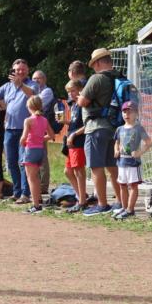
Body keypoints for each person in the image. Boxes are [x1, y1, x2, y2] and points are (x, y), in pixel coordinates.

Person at [0, 59, 39, 203]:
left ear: (27, 70)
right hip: (9, 130)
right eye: (17, 70)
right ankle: (16, 192)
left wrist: (20, 84)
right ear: (13, 71)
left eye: (23, 69)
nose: (20, 72)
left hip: (25, 130)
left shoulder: (32, 84)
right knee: (11, 162)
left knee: (24, 162)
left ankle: (25, 194)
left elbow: (33, 96)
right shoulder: (7, 87)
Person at [77, 48, 120, 216]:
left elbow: (82, 101)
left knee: (96, 166)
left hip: (96, 127)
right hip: (114, 127)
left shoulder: (97, 79)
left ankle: (102, 204)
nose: (93, 67)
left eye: (94, 64)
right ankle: (120, 201)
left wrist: (81, 95)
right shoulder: (119, 77)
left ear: (99, 62)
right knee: (112, 166)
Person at [112, 101, 152, 220]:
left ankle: (130, 209)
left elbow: (148, 143)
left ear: (136, 114)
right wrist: (116, 150)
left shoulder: (138, 128)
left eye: (130, 111)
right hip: (121, 162)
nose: (127, 114)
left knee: (133, 186)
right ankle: (124, 208)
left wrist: (139, 153)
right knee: (122, 185)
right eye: (124, 111)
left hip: (133, 163)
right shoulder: (119, 129)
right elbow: (117, 142)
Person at [20, 95, 54, 213]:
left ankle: (36, 205)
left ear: (29, 107)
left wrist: (24, 142)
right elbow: (52, 135)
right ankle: (38, 200)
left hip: (31, 150)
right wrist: (40, 139)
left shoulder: (28, 120)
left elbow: (23, 138)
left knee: (31, 178)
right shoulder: (44, 120)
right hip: (40, 150)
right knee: (36, 177)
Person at [63, 78, 88, 213]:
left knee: (78, 170)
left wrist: (73, 135)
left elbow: (87, 124)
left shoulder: (82, 105)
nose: (71, 94)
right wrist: (65, 122)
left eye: (73, 91)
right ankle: (81, 196)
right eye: (68, 92)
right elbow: (75, 122)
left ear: (80, 90)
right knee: (68, 171)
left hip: (78, 141)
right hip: (71, 143)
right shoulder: (73, 105)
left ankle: (82, 201)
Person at [32, 70, 55, 194]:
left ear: (44, 79)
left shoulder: (47, 91)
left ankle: (43, 186)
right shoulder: (32, 91)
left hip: (42, 127)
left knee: (42, 158)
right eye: (34, 79)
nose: (35, 81)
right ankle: (35, 184)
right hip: (32, 126)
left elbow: (36, 105)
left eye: (38, 78)